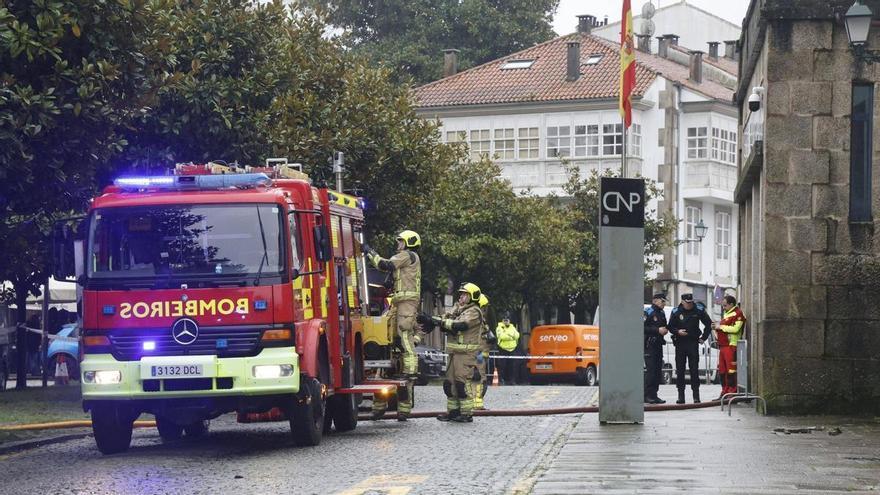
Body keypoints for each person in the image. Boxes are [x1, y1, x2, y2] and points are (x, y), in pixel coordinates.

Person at [363, 230, 421, 421]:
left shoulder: (407, 255)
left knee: (404, 334)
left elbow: (384, 264)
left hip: (405, 302)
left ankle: (410, 370)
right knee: (393, 338)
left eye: (400, 241)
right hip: (399, 302)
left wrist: (369, 251)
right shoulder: (409, 259)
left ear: (408, 243)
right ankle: (380, 409)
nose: (398, 244)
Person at [419, 283, 484, 423]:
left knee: (462, 383)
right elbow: (446, 319)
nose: (461, 296)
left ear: (473, 296)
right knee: (449, 384)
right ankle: (453, 412)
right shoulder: (458, 309)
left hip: (465, 354)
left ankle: (466, 413)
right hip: (454, 352)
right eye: (461, 294)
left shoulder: (474, 311)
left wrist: (438, 322)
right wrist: (431, 320)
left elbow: (459, 325)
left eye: (464, 294)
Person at [668, 293, 712, 404]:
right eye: (687, 302)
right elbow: (670, 327)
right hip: (680, 343)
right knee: (680, 370)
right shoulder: (676, 311)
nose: (690, 304)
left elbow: (708, 324)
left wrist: (704, 338)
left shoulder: (698, 310)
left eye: (691, 302)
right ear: (682, 302)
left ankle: (696, 396)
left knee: (694, 370)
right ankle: (681, 396)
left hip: (693, 343)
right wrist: (677, 331)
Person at [711, 295, 746, 400]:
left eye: (725, 305)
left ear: (731, 304)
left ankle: (732, 393)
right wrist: (716, 327)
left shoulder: (738, 313)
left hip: (732, 345)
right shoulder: (727, 313)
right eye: (723, 305)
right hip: (723, 346)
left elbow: (736, 329)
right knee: (722, 370)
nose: (723, 307)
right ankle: (724, 391)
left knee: (731, 371)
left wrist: (720, 327)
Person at [644, 293, 669, 404]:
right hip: (650, 345)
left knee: (658, 371)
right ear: (655, 301)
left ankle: (654, 394)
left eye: (664, 301)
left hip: (658, 344)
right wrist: (657, 330)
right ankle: (647, 395)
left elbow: (664, 325)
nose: (664, 303)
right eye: (662, 301)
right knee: (651, 371)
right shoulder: (648, 312)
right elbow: (642, 327)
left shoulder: (662, 313)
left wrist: (664, 330)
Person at [473, 293, 494, 410]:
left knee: (477, 380)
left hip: (480, 355)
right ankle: (476, 404)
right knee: (479, 380)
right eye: (484, 307)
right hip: (478, 356)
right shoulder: (477, 321)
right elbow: (479, 341)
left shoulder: (481, 320)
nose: (485, 310)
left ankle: (476, 404)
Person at [495, 314, 520, 385]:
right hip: (503, 349)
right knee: (502, 365)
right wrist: (511, 336)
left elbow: (517, 335)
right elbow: (502, 336)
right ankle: (501, 380)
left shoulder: (512, 327)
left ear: (509, 320)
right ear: (502, 320)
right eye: (504, 320)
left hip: (512, 349)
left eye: (507, 320)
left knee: (512, 366)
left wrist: (508, 335)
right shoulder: (499, 327)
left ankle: (512, 380)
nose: (506, 321)